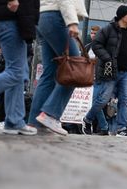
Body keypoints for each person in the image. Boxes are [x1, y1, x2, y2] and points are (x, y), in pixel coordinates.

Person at [0, 0, 40, 136]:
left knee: (19, 72)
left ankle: (14, 121)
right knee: (16, 72)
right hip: (12, 19)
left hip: (13, 20)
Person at [28, 0, 88, 135]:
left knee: (49, 73)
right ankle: (50, 114)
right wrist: (72, 22)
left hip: (43, 17)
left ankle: (34, 123)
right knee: (74, 69)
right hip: (57, 16)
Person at [83, 6, 127, 138]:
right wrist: (107, 58)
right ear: (122, 16)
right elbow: (96, 45)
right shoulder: (108, 29)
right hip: (110, 72)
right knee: (102, 100)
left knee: (126, 100)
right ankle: (87, 119)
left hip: (126, 73)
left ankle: (121, 128)